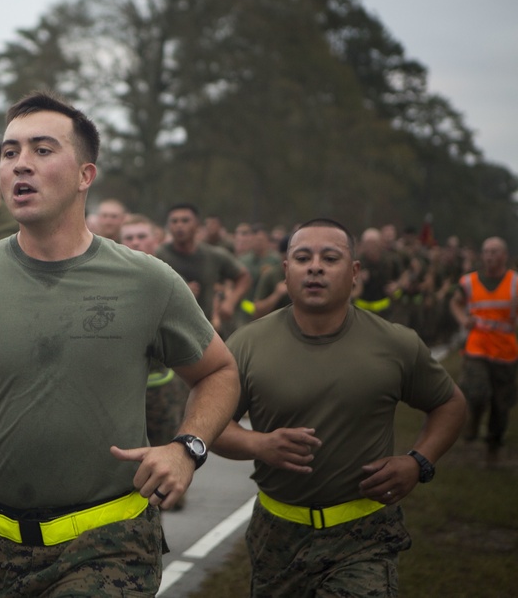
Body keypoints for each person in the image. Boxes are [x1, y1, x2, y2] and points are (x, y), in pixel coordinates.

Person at [0, 91, 240, 596]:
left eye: (42, 150)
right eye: (10, 152)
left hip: (108, 543)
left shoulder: (147, 281)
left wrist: (187, 449)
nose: (20, 165)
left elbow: (219, 372)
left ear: (85, 176)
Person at [213, 218, 466, 597]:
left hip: (364, 535)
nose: (315, 266)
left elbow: (449, 403)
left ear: (354, 272)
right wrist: (258, 444)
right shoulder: (247, 344)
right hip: (277, 534)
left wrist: (419, 462)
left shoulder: (395, 343)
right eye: (302, 257)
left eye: (330, 258)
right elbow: (210, 424)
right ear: (286, 271)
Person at [119, 214, 190, 509]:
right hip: (122, 393)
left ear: (156, 240)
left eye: (141, 236)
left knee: (161, 468)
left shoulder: (168, 281)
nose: (135, 242)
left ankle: (156, 528)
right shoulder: (110, 280)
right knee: (126, 469)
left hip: (162, 389)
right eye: (129, 238)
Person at [450, 236, 518, 459]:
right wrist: (463, 320)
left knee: (501, 404)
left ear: (504, 256)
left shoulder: (515, 282)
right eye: (486, 251)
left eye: (494, 252)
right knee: (476, 392)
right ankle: (470, 431)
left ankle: (493, 446)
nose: (489, 256)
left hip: (505, 351)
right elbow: (455, 303)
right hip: (477, 347)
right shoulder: (469, 281)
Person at [156, 203, 251, 334]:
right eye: (174, 221)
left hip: (204, 328)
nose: (179, 225)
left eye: (185, 220)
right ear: (168, 226)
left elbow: (243, 276)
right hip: (167, 328)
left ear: (197, 226)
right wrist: (180, 292)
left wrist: (230, 302)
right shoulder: (158, 255)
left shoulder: (213, 255)